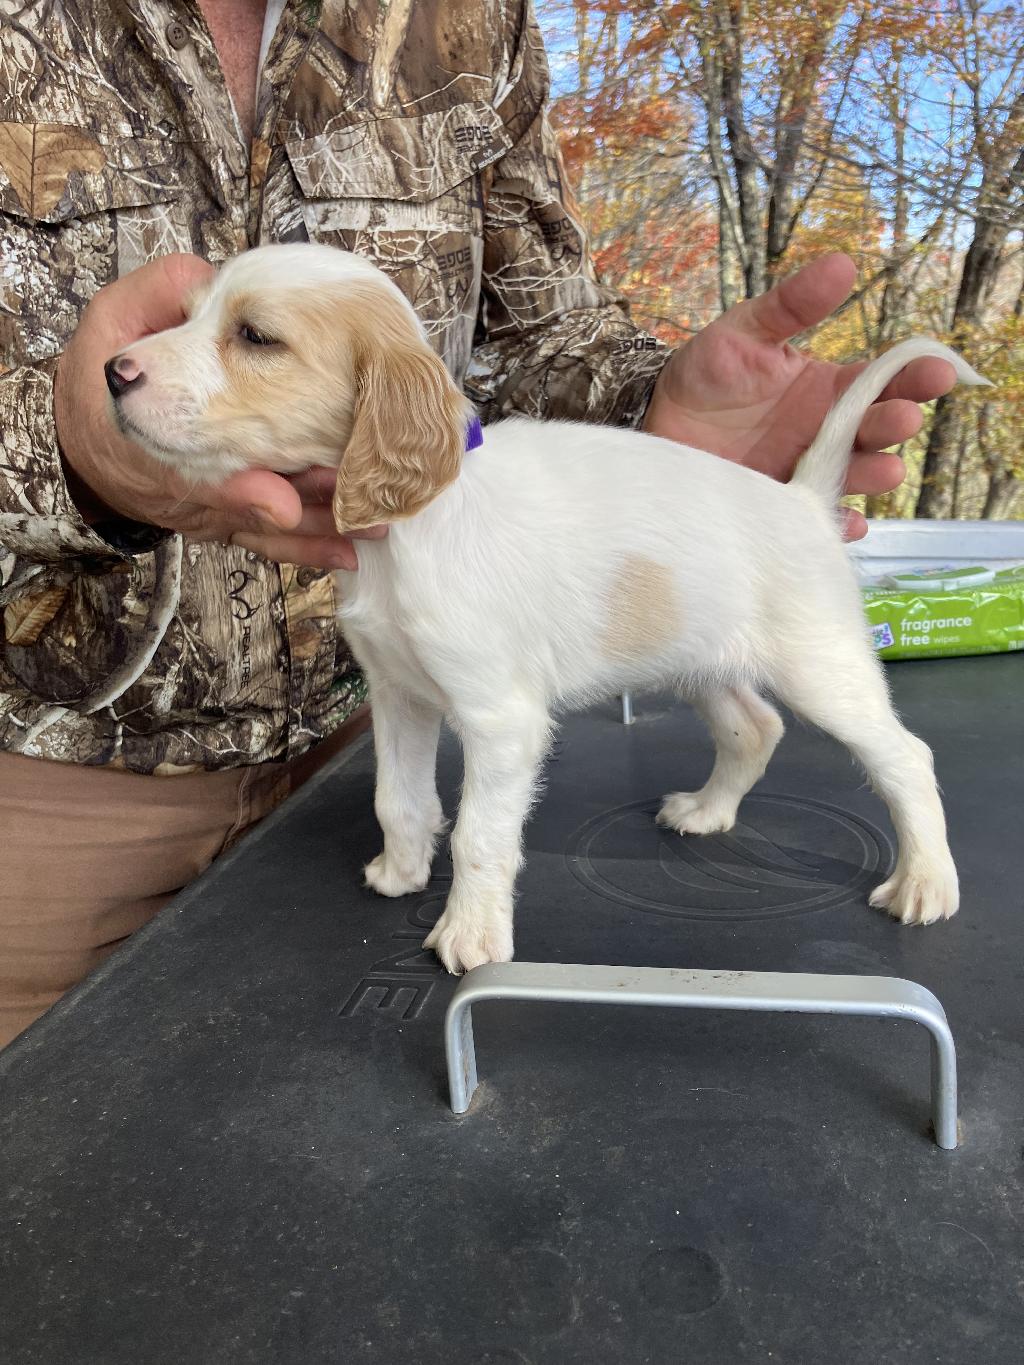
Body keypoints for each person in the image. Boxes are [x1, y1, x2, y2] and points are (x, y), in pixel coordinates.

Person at [0, 0, 955, 1047]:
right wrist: (67, 449)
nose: (163, 361)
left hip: (330, 756)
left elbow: (542, 325)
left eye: (250, 337)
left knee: (836, 708)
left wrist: (645, 410)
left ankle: (923, 834)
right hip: (58, 775)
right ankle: (412, 844)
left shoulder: (467, 19)